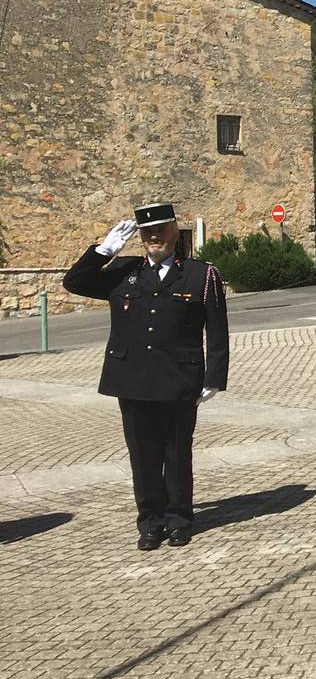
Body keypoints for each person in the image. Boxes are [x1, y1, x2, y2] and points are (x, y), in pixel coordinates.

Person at [62, 203, 228, 550]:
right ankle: (150, 522)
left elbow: (217, 330)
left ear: (174, 232)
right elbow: (74, 282)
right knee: (143, 456)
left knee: (177, 454)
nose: (155, 237)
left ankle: (179, 518)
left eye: (161, 230)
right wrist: (103, 251)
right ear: (140, 237)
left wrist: (214, 377)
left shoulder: (201, 274)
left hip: (180, 378)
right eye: (148, 232)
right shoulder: (124, 270)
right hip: (133, 379)